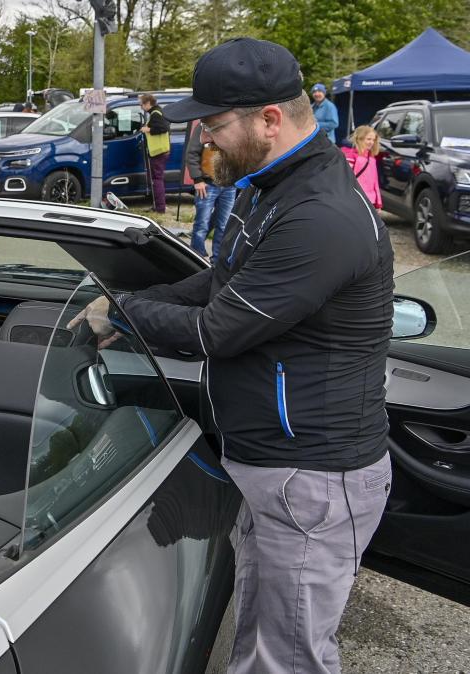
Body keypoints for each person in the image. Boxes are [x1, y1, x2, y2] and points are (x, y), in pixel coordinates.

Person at [70, 38, 393, 674]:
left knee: (289, 658)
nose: (204, 138)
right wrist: (130, 300)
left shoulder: (320, 216)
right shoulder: (265, 186)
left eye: (215, 124)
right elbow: (220, 281)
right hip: (272, 466)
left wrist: (124, 314)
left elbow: (219, 327)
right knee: (262, 639)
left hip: (311, 475)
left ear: (269, 119)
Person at [184, 119, 238, 263]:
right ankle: (196, 258)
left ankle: (217, 260)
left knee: (224, 225)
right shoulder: (204, 127)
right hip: (207, 184)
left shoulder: (234, 126)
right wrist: (197, 179)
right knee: (202, 223)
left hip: (229, 185)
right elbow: (192, 153)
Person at [139, 93, 171, 213]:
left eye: (141, 104)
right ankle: (158, 205)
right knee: (156, 179)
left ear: (148, 103)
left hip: (158, 151)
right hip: (159, 151)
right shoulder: (157, 112)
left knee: (157, 180)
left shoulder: (156, 114)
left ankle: (160, 207)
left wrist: (148, 129)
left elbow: (163, 128)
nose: (141, 107)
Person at [342, 125, 382, 208]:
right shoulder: (350, 156)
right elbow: (345, 179)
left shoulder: (371, 158)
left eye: (373, 140)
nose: (371, 142)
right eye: (368, 139)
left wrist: (378, 203)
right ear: (359, 139)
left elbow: (375, 182)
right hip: (354, 199)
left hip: (370, 200)